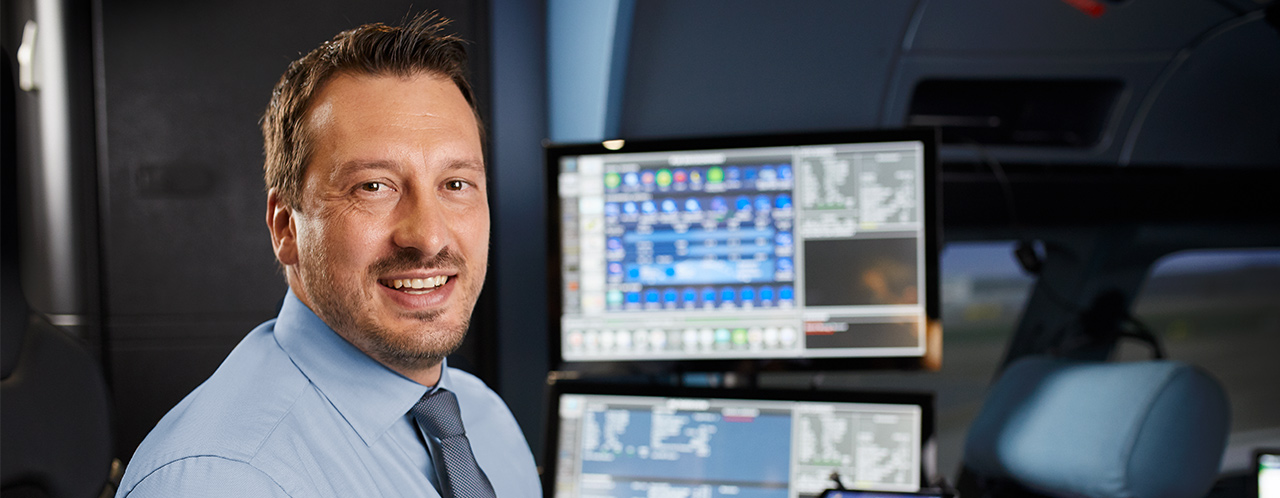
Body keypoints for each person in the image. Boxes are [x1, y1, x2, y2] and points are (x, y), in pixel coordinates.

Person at [115, 13, 539, 498]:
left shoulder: (489, 423)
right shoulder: (224, 479)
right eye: (373, 186)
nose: (429, 236)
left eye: (456, 184)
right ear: (285, 227)